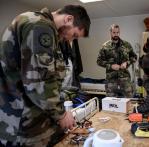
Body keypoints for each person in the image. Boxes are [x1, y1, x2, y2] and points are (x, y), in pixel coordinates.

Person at [0, 5, 90, 146]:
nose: (70, 40)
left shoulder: (47, 30)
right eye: (74, 35)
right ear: (68, 19)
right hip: (23, 126)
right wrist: (61, 114)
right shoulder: (40, 26)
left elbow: (50, 76)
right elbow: (39, 82)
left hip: (34, 120)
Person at [97, 24, 137, 98]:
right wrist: (111, 66)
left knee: (128, 101)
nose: (116, 34)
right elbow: (99, 61)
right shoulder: (105, 46)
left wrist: (127, 63)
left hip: (125, 78)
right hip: (111, 80)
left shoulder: (126, 45)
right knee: (111, 103)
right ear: (110, 32)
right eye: (114, 32)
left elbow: (134, 57)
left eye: (117, 32)